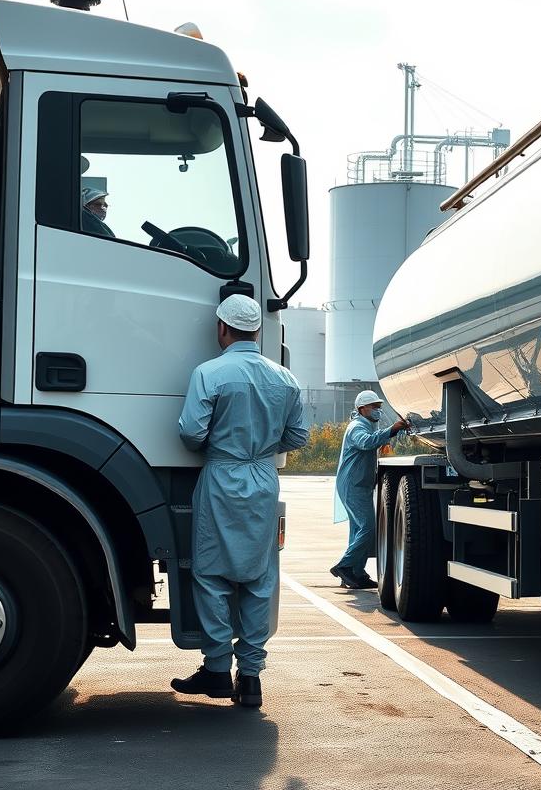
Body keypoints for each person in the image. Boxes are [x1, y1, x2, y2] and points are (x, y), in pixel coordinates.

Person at [171, 294, 307, 708]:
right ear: (258, 330)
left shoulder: (209, 373)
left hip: (221, 475)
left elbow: (191, 434)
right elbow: (298, 437)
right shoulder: (285, 378)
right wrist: (261, 448)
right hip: (263, 477)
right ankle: (251, 679)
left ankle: (216, 669)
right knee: (258, 575)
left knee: (211, 574)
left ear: (222, 329)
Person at [331, 390, 409, 590]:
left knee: (359, 529)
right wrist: (391, 430)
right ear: (362, 409)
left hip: (358, 484)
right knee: (368, 527)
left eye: (379, 407)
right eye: (374, 406)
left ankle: (356, 573)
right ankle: (345, 566)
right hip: (353, 485)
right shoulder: (357, 427)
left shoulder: (367, 425)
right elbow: (366, 442)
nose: (377, 410)